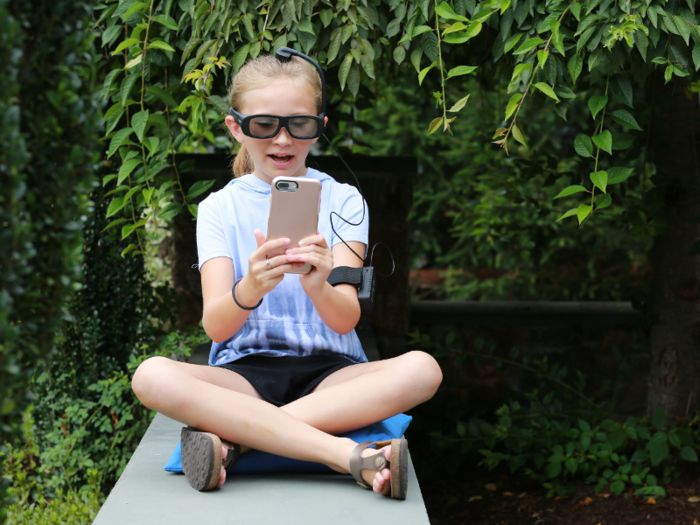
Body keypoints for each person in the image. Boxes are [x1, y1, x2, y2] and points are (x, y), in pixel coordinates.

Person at [131, 52, 443, 499]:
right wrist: (251, 288)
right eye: (264, 125)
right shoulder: (219, 208)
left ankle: (237, 440)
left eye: (300, 124)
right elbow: (216, 326)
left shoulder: (345, 200)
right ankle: (345, 455)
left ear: (320, 125)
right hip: (243, 375)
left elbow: (344, 321)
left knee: (423, 370)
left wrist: (318, 283)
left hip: (331, 373)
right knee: (150, 376)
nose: (283, 138)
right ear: (236, 127)